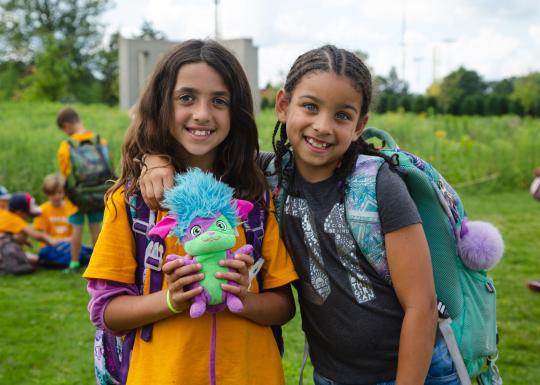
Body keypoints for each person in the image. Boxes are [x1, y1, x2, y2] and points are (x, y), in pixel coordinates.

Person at [141, 45, 460, 384]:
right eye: (310, 107)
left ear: (359, 125)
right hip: (332, 375)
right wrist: (153, 158)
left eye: (342, 115)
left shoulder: (380, 185)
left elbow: (421, 305)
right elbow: (205, 157)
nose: (322, 126)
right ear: (283, 106)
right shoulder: (267, 175)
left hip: (416, 372)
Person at [83, 39, 297, 385]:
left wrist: (242, 296)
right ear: (162, 105)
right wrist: (170, 299)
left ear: (236, 111)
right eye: (186, 98)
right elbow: (106, 311)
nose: (202, 114)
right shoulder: (131, 201)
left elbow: (284, 305)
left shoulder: (254, 199)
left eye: (219, 101)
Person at [56, 107, 106, 272]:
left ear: (67, 125)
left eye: (65, 129)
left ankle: (74, 264)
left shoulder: (66, 146)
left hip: (77, 194)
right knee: (95, 227)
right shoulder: (100, 140)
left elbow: (65, 173)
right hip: (98, 192)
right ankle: (99, 263)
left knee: (76, 229)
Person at [33, 173, 92, 268]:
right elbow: (41, 234)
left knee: (86, 249)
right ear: (47, 193)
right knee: (45, 253)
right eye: (52, 193)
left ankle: (74, 259)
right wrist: (54, 240)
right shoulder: (42, 210)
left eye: (59, 193)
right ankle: (81, 258)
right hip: (51, 246)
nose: (56, 196)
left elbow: (75, 233)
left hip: (69, 244)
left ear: (64, 192)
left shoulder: (70, 208)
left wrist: (68, 241)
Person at [0, 192, 58, 272]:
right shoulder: (15, 220)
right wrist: (50, 240)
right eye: (27, 215)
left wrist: (25, 241)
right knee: (33, 263)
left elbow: (10, 233)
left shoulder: (4, 214)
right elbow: (36, 235)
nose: (27, 218)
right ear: (19, 212)